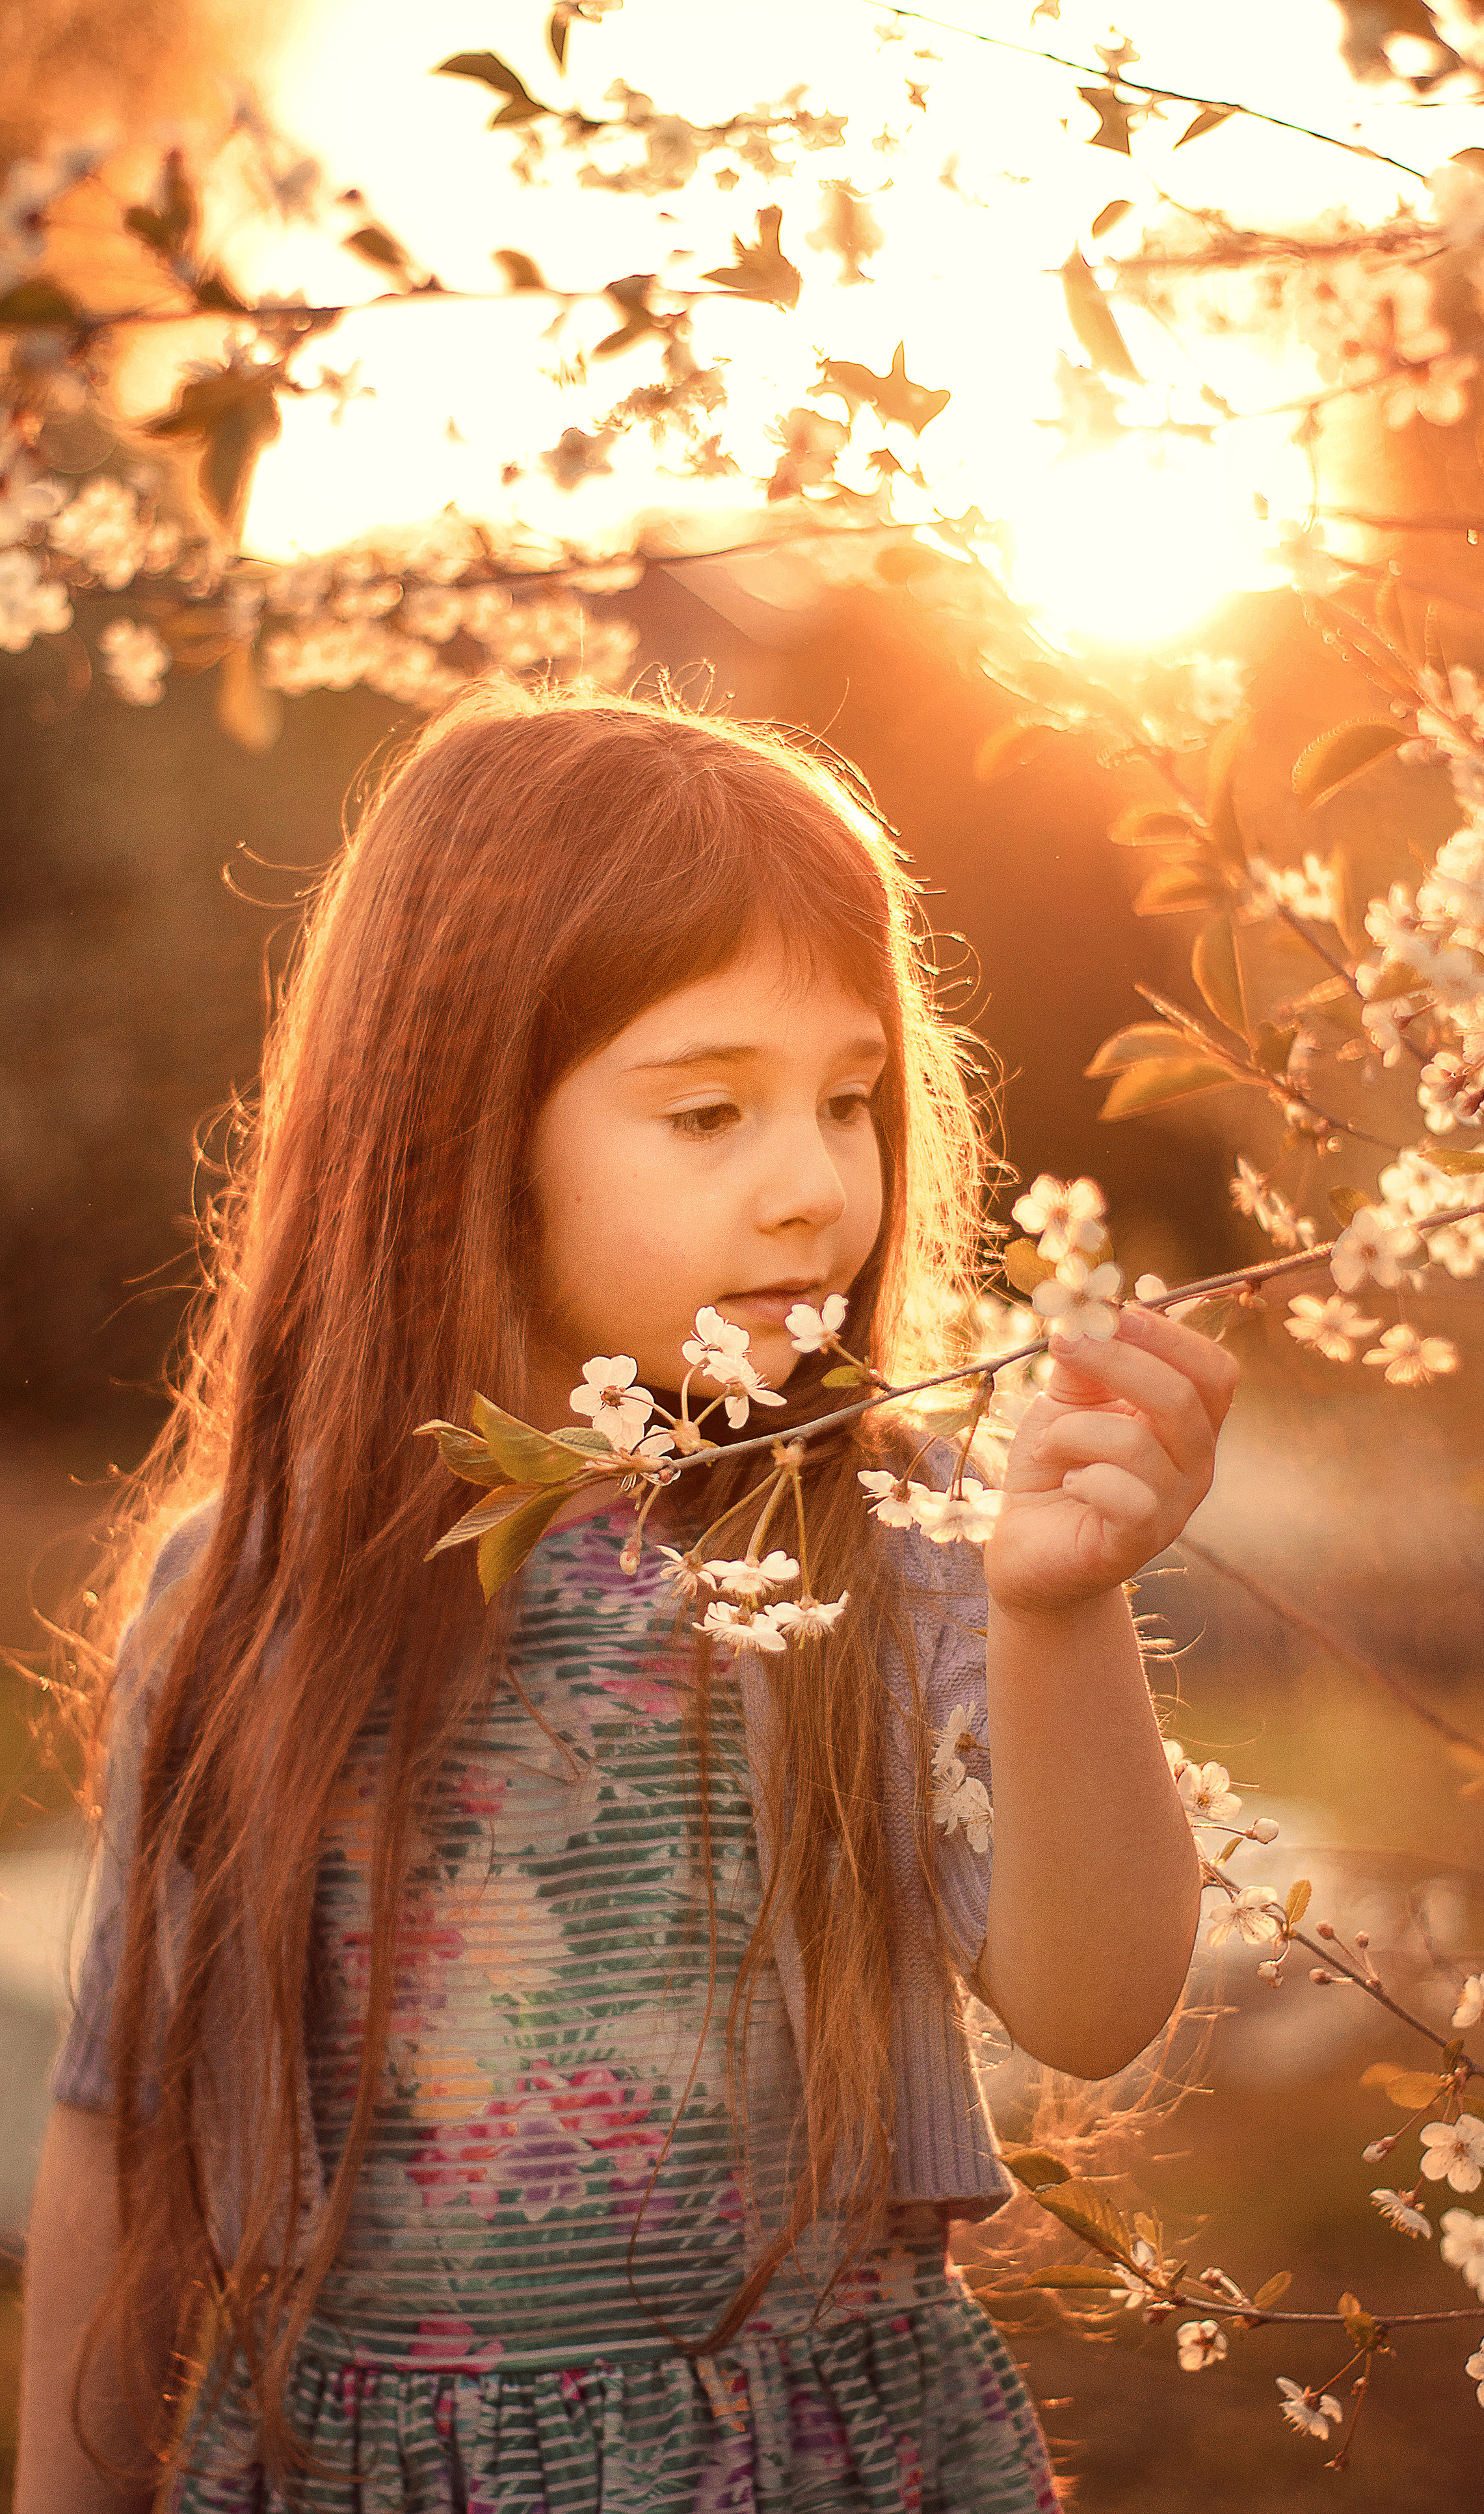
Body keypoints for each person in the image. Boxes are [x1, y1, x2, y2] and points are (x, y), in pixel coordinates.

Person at [17, 683, 1234, 2513]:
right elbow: (125, 2130)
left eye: (849, 1099)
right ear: (460, 1125)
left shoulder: (880, 1536)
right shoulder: (249, 1594)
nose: (813, 1185)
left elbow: (1096, 2001)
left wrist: (1059, 1615)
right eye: (710, 1110)